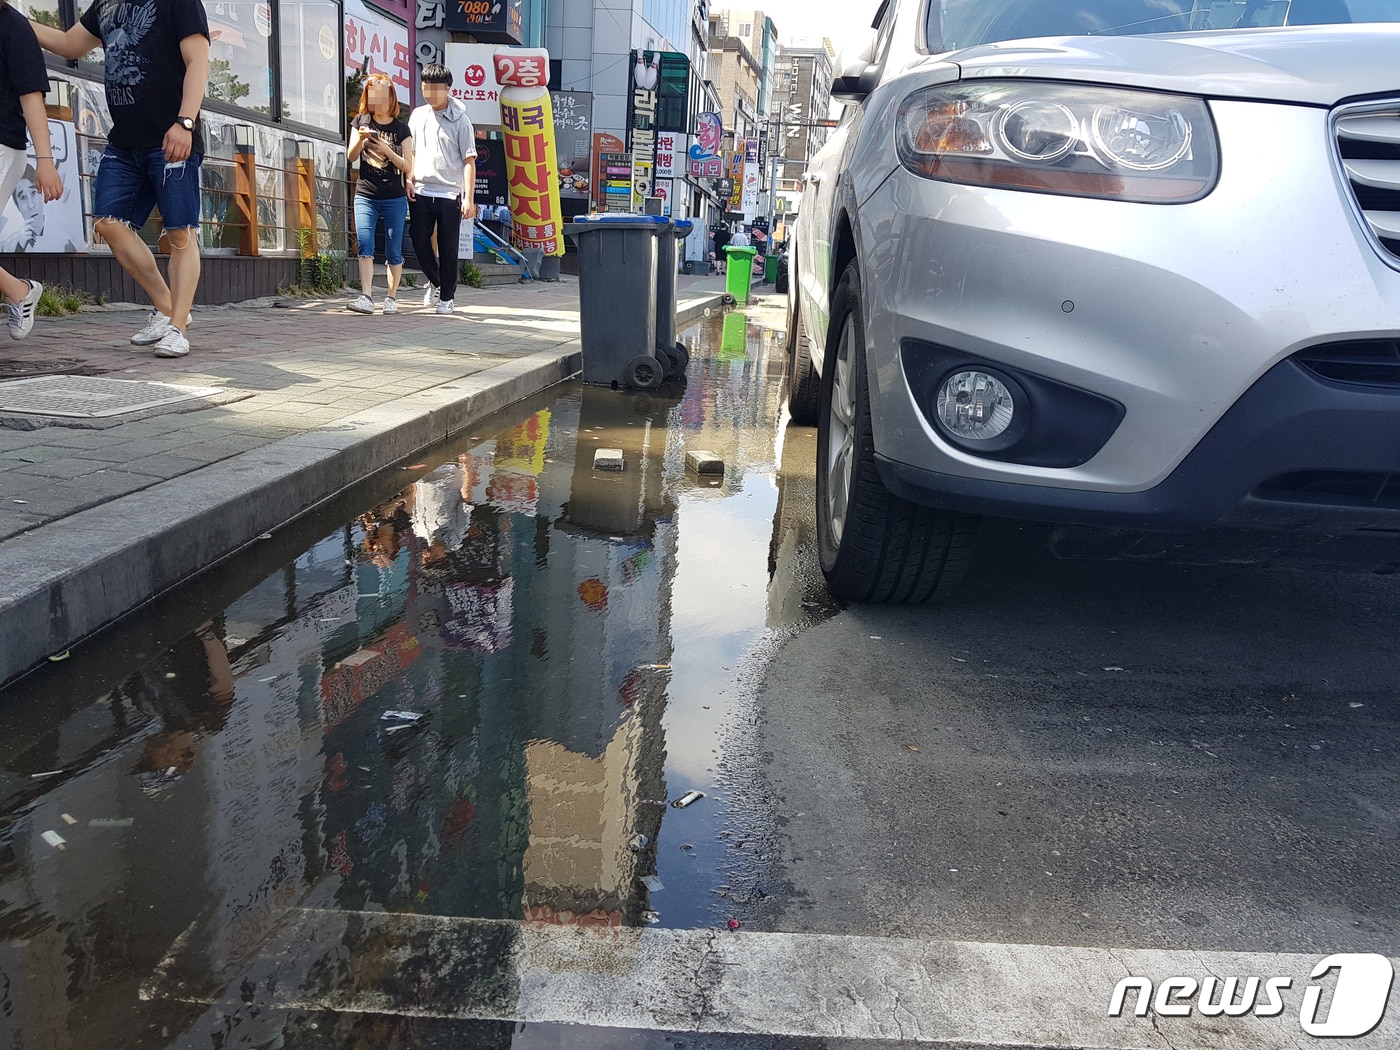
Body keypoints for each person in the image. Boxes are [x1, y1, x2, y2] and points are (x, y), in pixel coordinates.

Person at [30, 0, 210, 359]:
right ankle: (167, 307)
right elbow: (69, 44)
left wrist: (185, 122)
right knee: (108, 223)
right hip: (125, 141)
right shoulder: (106, 5)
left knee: (179, 231)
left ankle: (178, 328)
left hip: (171, 136)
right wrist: (13, 18)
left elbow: (198, 61)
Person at [0, 0, 61, 339]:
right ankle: (20, 291)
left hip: (3, 146)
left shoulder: (14, 26)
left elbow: (31, 96)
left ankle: (20, 291)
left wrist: (46, 161)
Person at [408, 63, 477, 315]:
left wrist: (469, 198)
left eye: (436, 88)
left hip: (449, 193)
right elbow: (411, 152)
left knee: (448, 247)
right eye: (425, 86)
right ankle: (437, 282)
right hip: (421, 189)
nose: (430, 92)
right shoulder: (417, 115)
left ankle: (447, 297)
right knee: (417, 239)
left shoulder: (461, 120)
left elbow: (469, 161)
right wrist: (408, 178)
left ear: (448, 89)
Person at [346, 72, 413, 316]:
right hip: (365, 193)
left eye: (382, 95)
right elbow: (351, 156)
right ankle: (366, 296)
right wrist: (361, 141)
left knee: (394, 250)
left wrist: (387, 150)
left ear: (390, 97)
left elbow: (407, 166)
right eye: (372, 95)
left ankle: (391, 298)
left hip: (394, 197)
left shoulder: (401, 129)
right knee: (365, 244)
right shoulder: (361, 120)